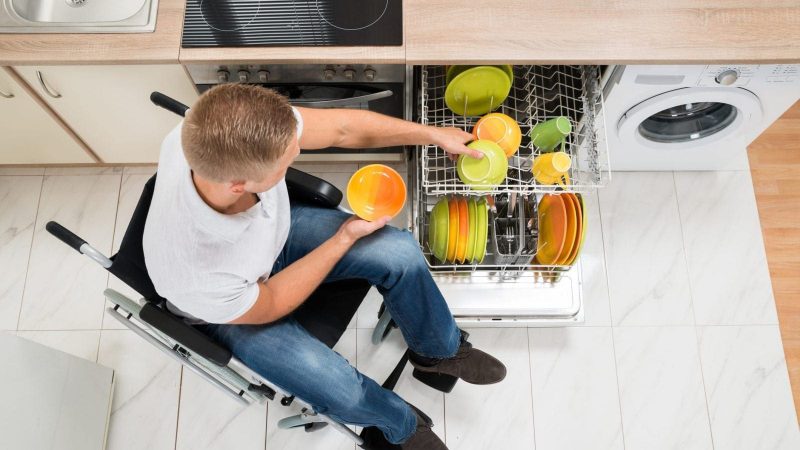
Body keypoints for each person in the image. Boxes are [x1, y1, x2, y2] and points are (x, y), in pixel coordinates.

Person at [142, 83, 507, 449]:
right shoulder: (194, 270)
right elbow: (271, 301)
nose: (298, 149)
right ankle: (400, 425)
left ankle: (438, 354)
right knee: (338, 387)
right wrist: (343, 239)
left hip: (271, 238)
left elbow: (341, 129)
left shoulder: (218, 123)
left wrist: (432, 135)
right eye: (288, 158)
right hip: (236, 307)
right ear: (239, 185)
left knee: (399, 252)